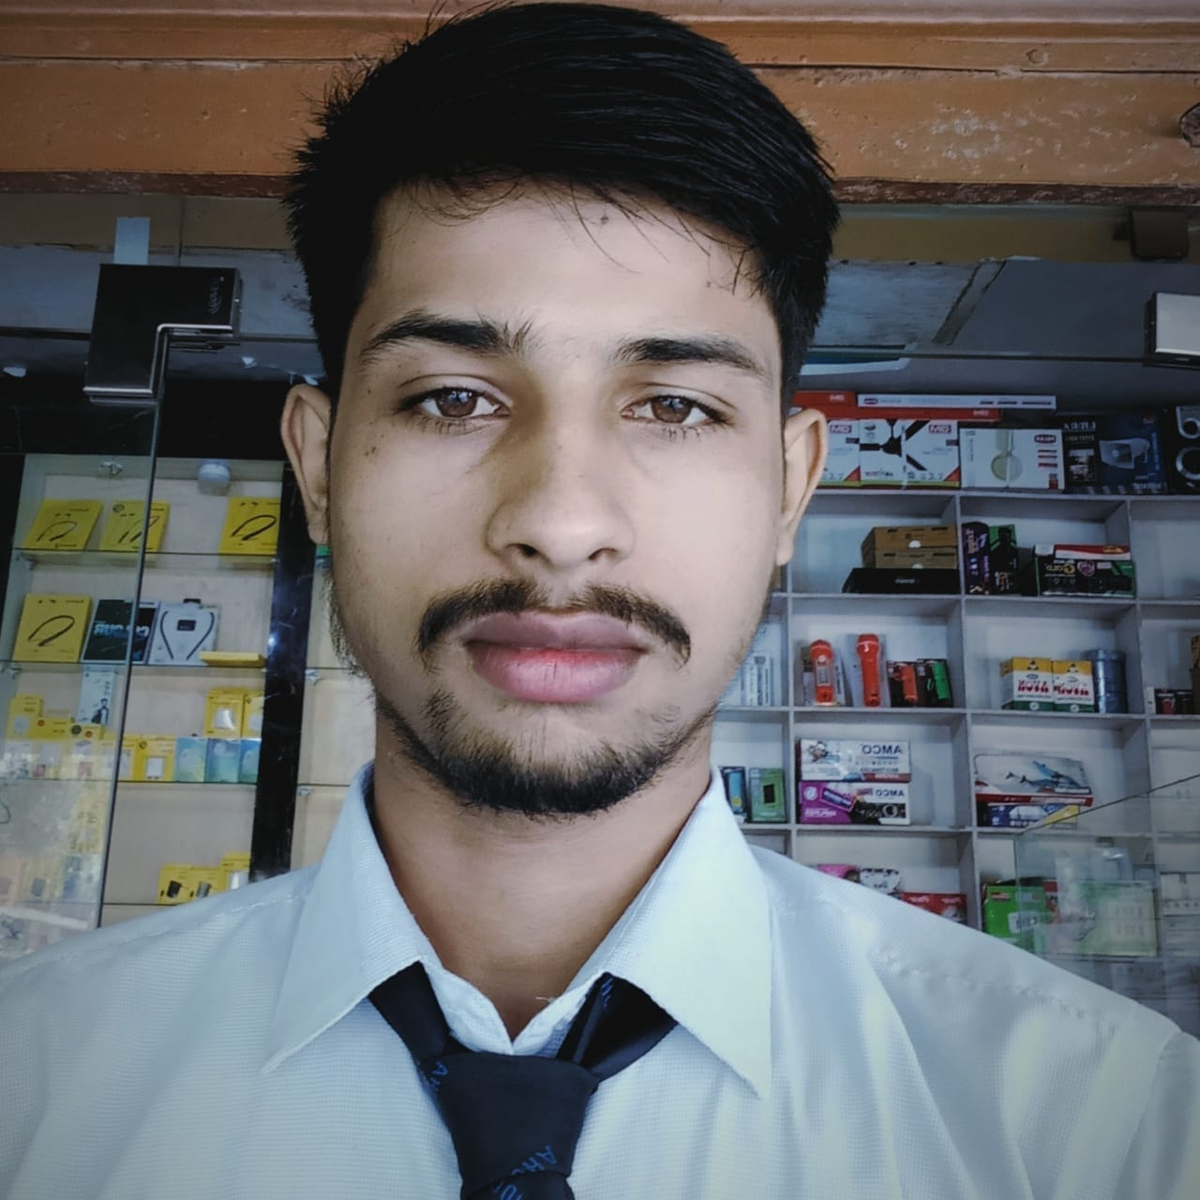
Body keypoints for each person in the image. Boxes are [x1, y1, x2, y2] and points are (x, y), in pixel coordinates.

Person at [2, 4, 1198, 1197]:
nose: (563, 522)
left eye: (675, 406)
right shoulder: (35, 1091)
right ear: (317, 467)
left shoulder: (1105, 1133)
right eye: (453, 398)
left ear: (789, 489)